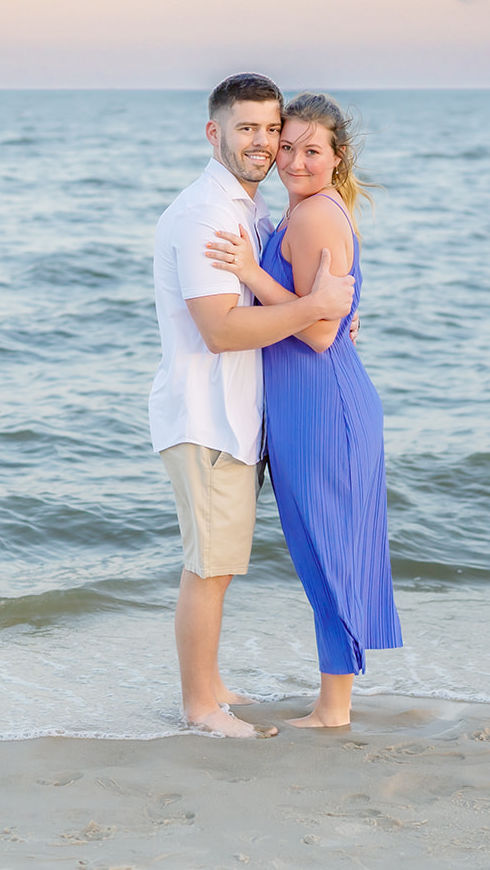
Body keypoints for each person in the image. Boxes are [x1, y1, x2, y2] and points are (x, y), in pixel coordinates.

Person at [150, 73, 356, 739]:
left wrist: (331, 314)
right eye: (247, 129)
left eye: (272, 129)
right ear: (215, 133)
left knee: (223, 559)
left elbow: (290, 293)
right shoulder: (205, 214)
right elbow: (221, 329)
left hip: (238, 416)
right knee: (208, 566)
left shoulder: (250, 208)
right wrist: (313, 310)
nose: (264, 144)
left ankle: (212, 685)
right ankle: (199, 707)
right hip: (206, 414)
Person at [205, 92, 402, 728]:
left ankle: (334, 711)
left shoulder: (316, 215)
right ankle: (332, 704)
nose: (292, 160)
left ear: (337, 157)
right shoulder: (308, 213)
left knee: (329, 548)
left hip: (322, 404)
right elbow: (320, 314)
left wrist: (248, 274)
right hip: (306, 404)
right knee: (323, 548)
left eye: (310, 150)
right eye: (285, 146)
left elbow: (319, 333)